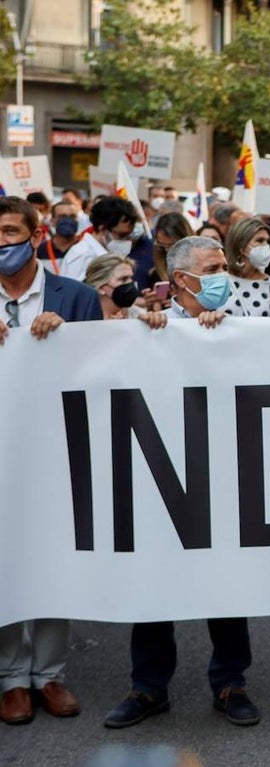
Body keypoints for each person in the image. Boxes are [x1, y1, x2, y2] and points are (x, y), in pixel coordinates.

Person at [102, 236, 259, 729]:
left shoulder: (242, 325)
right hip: (159, 475)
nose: (223, 276)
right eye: (212, 269)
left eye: (223, 266)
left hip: (223, 474)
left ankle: (230, 682)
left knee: (224, 581)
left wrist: (225, 333)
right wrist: (148, 333)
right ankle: (148, 687)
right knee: (153, 580)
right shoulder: (148, 328)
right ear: (182, 280)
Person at [0, 196, 102, 724]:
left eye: (10, 232)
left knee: (52, 558)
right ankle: (11, 678)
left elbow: (104, 370)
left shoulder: (76, 298)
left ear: (37, 237)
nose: (2, 244)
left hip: (59, 453)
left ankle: (49, 674)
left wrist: (67, 341)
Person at [59, 196, 140, 281]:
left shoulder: (107, 253)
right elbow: (72, 288)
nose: (127, 241)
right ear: (103, 229)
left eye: (130, 236)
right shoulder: (83, 255)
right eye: (122, 235)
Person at [82, 254, 165, 327]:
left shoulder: (140, 316)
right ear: (101, 288)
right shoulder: (83, 319)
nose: (130, 283)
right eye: (123, 279)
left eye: (131, 278)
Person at [222, 217, 270, 317]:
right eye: (260, 240)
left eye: (267, 241)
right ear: (241, 246)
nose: (266, 246)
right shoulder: (220, 280)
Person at [37, 200, 82, 274]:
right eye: (62, 217)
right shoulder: (40, 251)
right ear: (52, 221)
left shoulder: (86, 249)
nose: (68, 220)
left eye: (72, 216)